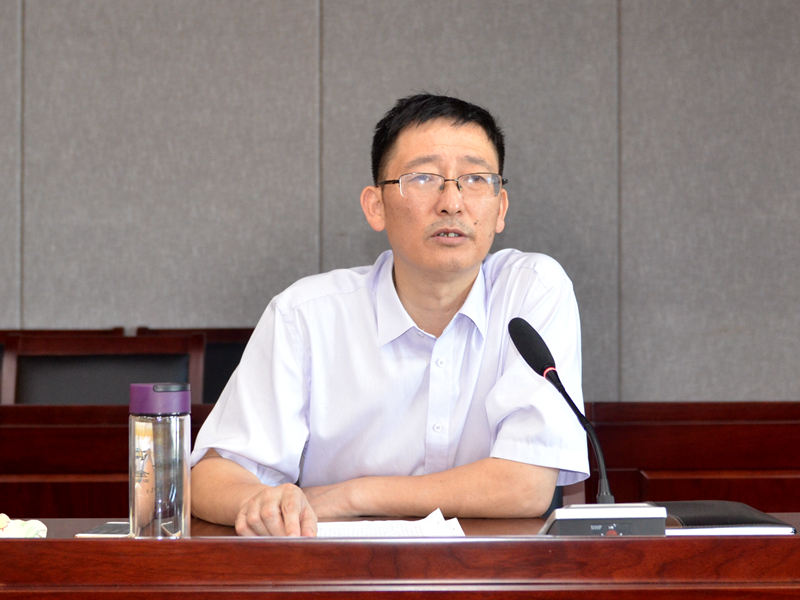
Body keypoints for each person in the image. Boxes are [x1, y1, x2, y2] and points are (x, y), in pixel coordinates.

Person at [190, 93, 589, 537]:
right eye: (423, 178)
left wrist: (351, 496)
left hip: (489, 572)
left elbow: (526, 487)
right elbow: (211, 478)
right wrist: (263, 504)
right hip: (339, 573)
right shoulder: (304, 316)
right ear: (375, 206)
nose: (452, 202)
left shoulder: (532, 290)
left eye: (476, 179)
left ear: (501, 208)